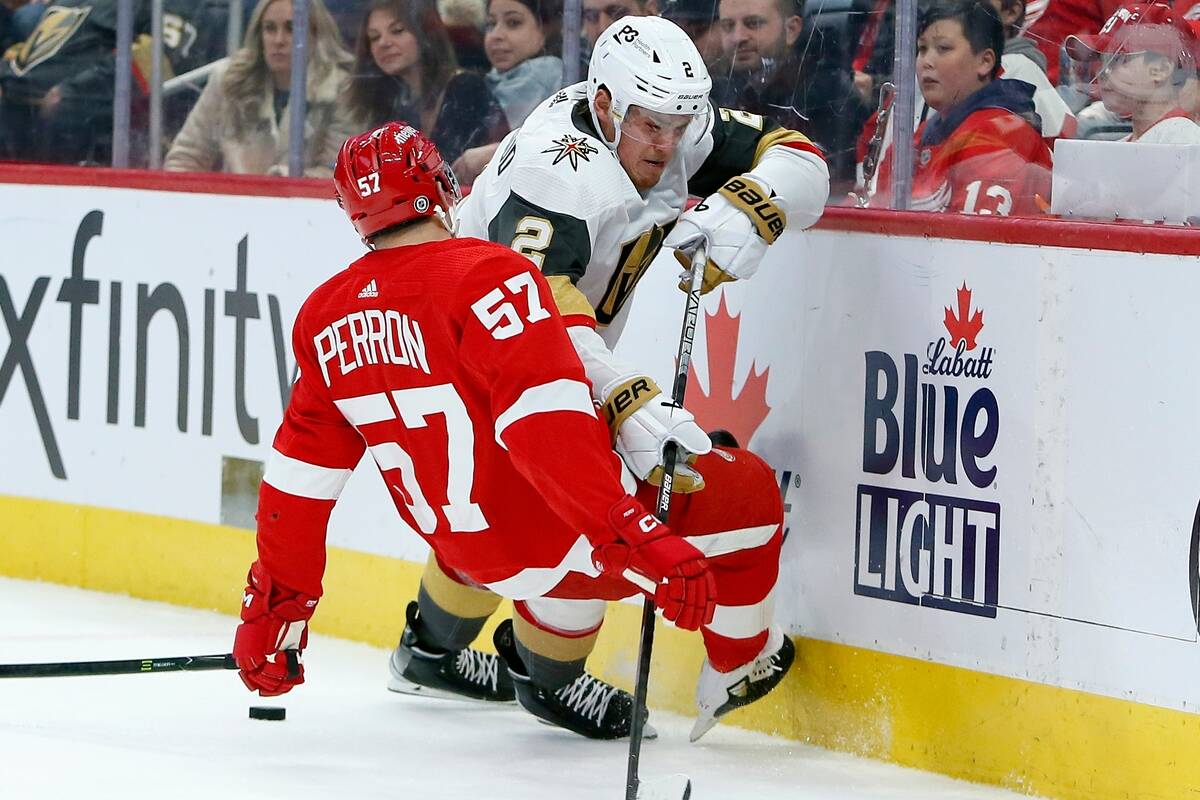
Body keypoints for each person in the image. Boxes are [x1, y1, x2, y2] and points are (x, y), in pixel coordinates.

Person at [232, 121, 794, 747]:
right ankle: (739, 663)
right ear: (441, 186)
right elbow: (545, 429)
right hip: (559, 541)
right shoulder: (491, 274)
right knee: (747, 490)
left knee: (525, 490)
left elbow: (298, 489)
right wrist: (630, 534)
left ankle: (475, 658)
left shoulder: (324, 315)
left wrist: (275, 610)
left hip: (465, 552)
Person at [392, 16, 829, 740]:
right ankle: (549, 678)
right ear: (604, 106)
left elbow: (802, 158)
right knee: (575, 507)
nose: (668, 144)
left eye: (680, 125)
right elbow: (536, 321)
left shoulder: (659, 120)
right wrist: (625, 399)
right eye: (652, 126)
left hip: (486, 369)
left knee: (499, 517)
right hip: (489, 369)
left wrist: (756, 205)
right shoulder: (553, 174)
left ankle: (428, 651)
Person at [865, 0, 1052, 214]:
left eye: (943, 48)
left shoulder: (1000, 134)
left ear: (985, 62)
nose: (926, 61)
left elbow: (970, 234)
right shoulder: (922, 137)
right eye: (922, 49)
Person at [163, 0, 356, 176]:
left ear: (316, 35)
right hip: (234, 201)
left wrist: (285, 182)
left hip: (306, 202)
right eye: (270, 28)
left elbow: (340, 174)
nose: (279, 40)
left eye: (291, 28)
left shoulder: (342, 89)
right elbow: (185, 158)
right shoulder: (227, 81)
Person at [0, 0, 201, 164]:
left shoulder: (164, 6)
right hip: (18, 118)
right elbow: (30, 57)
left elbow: (155, 59)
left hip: (69, 137)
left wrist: (74, 93)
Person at [711, 0, 870, 189]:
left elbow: (834, 185)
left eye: (753, 23)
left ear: (792, 29)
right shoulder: (714, 92)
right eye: (728, 26)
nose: (738, 37)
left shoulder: (828, 95)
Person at [344, 0, 508, 166]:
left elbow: (453, 169)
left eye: (397, 31)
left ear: (425, 33)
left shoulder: (466, 88)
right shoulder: (391, 102)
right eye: (374, 37)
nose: (383, 43)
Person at [1066, 2, 1200, 141]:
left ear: (1161, 69)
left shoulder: (1183, 140)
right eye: (1102, 60)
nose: (1102, 72)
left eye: (1118, 59)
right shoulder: (1162, 139)